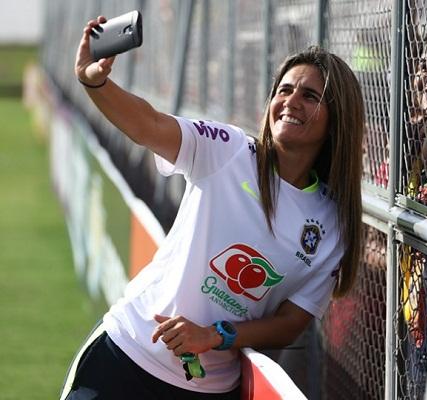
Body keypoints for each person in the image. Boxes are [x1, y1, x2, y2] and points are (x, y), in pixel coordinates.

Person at [60, 15, 365, 399]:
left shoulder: (332, 226)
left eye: (310, 96)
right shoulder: (229, 150)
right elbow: (148, 124)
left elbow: (289, 323)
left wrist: (215, 336)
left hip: (208, 389)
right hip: (126, 354)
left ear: (337, 118)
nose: (290, 102)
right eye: (284, 90)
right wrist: (95, 82)